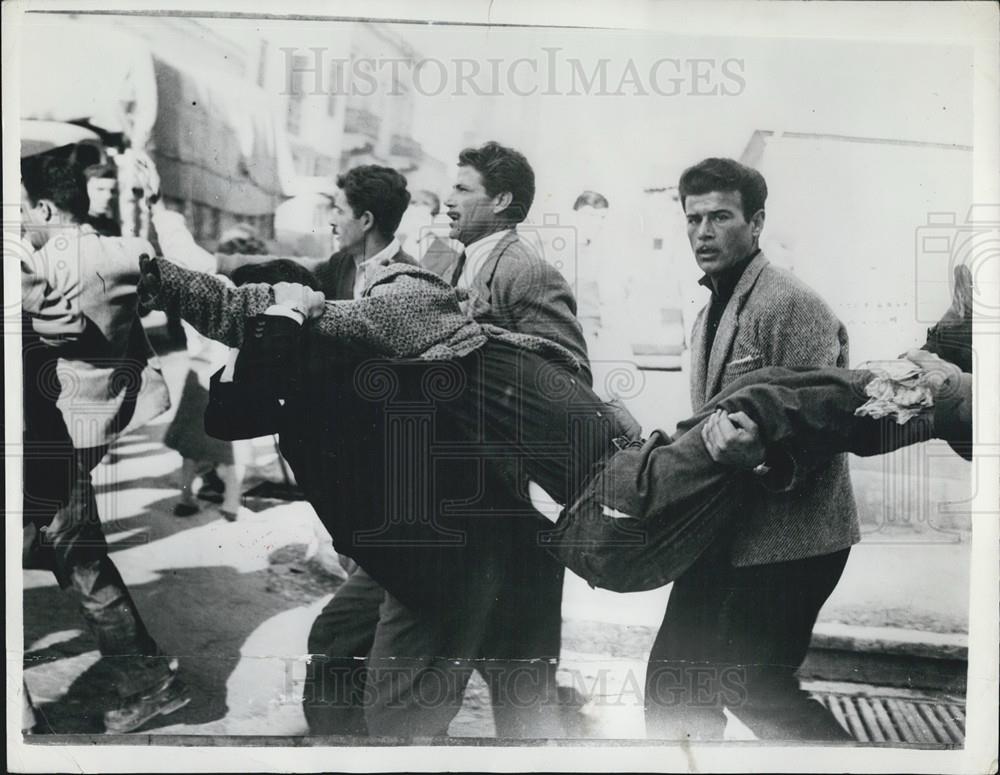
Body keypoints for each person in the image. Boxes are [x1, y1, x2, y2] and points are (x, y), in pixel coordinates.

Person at [140, 254, 972, 740]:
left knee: (768, 419)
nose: (423, 287)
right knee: (764, 411)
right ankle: (944, 390)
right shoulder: (416, 334)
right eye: (406, 282)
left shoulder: (462, 339)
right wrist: (164, 277)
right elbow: (235, 331)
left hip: (617, 504)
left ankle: (939, 367)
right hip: (614, 508)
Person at [643, 157, 858, 741]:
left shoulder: (792, 304)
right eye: (693, 219)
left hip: (793, 541)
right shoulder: (710, 308)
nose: (703, 232)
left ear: (756, 222)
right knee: (674, 682)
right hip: (724, 535)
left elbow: (832, 422)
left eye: (720, 216)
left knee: (756, 687)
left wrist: (761, 459)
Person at [20, 155, 188, 734]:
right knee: (77, 557)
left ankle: (147, 682)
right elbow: (159, 297)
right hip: (98, 422)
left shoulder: (34, 266)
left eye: (23, 210)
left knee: (81, 561)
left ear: (43, 208)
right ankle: (147, 679)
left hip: (45, 437)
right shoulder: (125, 253)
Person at [313, 165, 417, 301]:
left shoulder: (410, 280)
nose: (332, 221)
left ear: (366, 221)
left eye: (340, 211)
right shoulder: (340, 262)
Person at [83, 162, 121, 237]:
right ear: (84, 190)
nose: (108, 196)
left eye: (112, 191)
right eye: (100, 189)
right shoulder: (74, 225)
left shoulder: (113, 227)